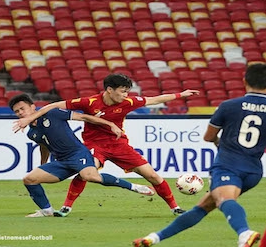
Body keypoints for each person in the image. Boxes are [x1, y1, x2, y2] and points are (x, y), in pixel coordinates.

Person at [13, 73, 199, 217]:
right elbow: (52, 106)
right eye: (123, 91)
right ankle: (66, 207)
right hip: (95, 145)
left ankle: (175, 208)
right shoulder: (89, 102)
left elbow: (154, 99)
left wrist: (180, 95)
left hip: (119, 145)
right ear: (110, 90)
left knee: (152, 175)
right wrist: (30, 118)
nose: (126, 95)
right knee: (87, 172)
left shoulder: (128, 102)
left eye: (127, 91)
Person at [133, 63, 266, 247]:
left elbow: (209, 136)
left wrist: (219, 143)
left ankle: (244, 233)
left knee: (225, 200)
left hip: (229, 165)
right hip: (254, 171)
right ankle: (154, 238)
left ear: (244, 81)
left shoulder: (229, 106)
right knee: (203, 207)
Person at [10, 93, 155, 217]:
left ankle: (134, 187)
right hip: (62, 162)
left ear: (33, 107)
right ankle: (47, 211)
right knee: (29, 179)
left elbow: (84, 117)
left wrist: (110, 124)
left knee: (90, 176)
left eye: (22, 109)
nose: (20, 113)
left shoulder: (53, 114)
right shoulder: (31, 133)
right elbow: (44, 147)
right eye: (17, 112)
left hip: (78, 154)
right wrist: (43, 164)